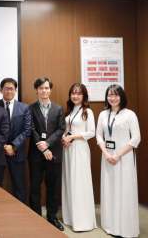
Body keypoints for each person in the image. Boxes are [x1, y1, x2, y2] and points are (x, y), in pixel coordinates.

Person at [96, 84, 140, 237]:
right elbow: (99, 136)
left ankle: (125, 227)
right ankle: (110, 226)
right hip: (107, 157)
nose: (112, 98)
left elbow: (136, 138)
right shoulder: (103, 114)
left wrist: (117, 155)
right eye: (109, 95)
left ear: (121, 97)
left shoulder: (130, 114)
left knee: (124, 190)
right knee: (110, 189)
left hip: (124, 158)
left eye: (115, 95)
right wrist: (106, 153)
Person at [28, 77, 65, 231]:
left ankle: (52, 217)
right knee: (35, 187)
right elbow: (31, 128)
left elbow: (61, 129)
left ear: (50, 89)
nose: (44, 91)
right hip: (36, 155)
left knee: (53, 187)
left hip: (54, 154)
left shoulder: (58, 109)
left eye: (47, 88)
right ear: (36, 90)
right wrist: (43, 148)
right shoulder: (29, 109)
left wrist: (48, 143)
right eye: (41, 88)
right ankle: (36, 217)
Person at [61, 83, 97, 231]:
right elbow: (67, 130)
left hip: (80, 149)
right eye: (73, 93)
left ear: (84, 96)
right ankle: (70, 217)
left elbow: (91, 133)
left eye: (79, 93)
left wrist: (73, 137)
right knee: (70, 181)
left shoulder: (87, 111)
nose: (75, 96)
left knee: (80, 182)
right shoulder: (70, 111)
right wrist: (64, 137)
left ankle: (83, 221)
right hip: (68, 149)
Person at [0, 78, 31, 203]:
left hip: (17, 152)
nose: (9, 91)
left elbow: (27, 130)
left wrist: (13, 146)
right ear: (0, 90)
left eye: (11, 88)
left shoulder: (24, 108)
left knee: (19, 186)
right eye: (6, 88)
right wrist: (4, 146)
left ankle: (22, 215)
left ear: (15, 90)